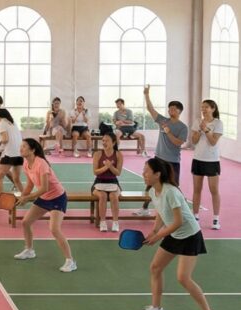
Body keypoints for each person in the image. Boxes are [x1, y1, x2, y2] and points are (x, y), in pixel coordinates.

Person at [135, 157, 216, 310]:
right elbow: (160, 212)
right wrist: (154, 231)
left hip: (190, 235)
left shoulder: (171, 192)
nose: (143, 174)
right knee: (155, 268)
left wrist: (158, 237)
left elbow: (178, 222)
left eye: (146, 171)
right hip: (174, 234)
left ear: (157, 174)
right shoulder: (153, 191)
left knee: (183, 277)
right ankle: (156, 309)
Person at [14, 138, 77, 273]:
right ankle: (29, 250)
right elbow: (30, 185)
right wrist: (22, 196)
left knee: (54, 229)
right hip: (44, 198)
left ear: (32, 150)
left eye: (24, 146)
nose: (21, 149)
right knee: (26, 222)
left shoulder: (41, 164)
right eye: (21, 146)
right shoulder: (26, 163)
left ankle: (70, 261)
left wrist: (27, 198)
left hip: (57, 198)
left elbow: (44, 188)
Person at [134, 86, 188, 217]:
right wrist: (146, 94)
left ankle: (182, 211)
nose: (171, 110)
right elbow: (150, 109)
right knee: (150, 183)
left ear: (180, 111)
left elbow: (178, 143)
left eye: (174, 108)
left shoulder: (183, 127)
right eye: (170, 108)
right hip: (158, 158)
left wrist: (168, 132)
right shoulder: (163, 121)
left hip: (173, 161)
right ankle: (144, 208)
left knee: (174, 187)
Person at [190, 99, 222, 230]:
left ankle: (216, 219)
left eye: (206, 107)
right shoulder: (197, 121)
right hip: (198, 159)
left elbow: (213, 142)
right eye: (202, 107)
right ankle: (195, 216)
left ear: (213, 109)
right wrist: (199, 129)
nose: (203, 110)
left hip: (212, 161)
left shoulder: (218, 123)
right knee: (197, 189)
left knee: (214, 190)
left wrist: (206, 129)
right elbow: (194, 141)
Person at [92, 131, 123, 232]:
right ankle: (102, 222)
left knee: (113, 196)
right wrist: (106, 167)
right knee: (103, 196)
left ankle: (115, 222)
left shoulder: (118, 155)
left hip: (113, 182)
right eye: (103, 140)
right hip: (99, 182)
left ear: (113, 143)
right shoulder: (97, 154)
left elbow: (118, 173)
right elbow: (95, 172)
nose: (104, 143)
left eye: (107, 141)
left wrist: (110, 167)